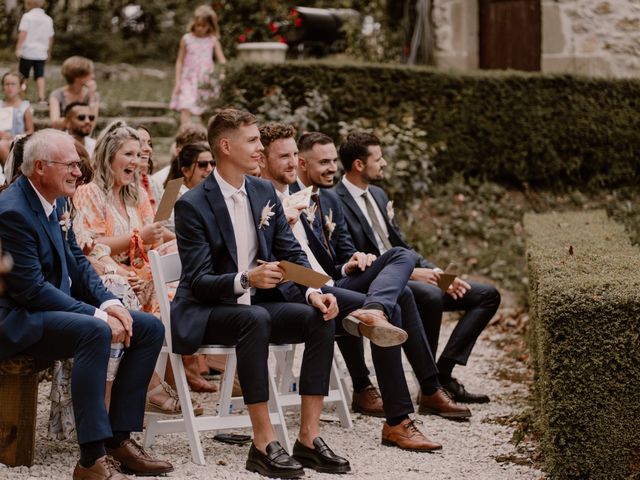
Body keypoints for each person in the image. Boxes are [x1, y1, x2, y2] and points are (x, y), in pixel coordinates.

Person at [172, 108, 349, 477]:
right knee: (252, 318)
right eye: (252, 141)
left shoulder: (262, 189)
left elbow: (291, 252)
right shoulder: (191, 204)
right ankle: (263, 441)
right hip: (208, 312)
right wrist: (247, 280)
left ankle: (308, 439)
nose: (259, 148)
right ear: (225, 145)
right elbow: (200, 281)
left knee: (319, 315)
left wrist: (312, 291)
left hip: (258, 308)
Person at [258, 122, 451, 451]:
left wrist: (346, 265)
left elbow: (320, 258)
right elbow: (270, 263)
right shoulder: (262, 201)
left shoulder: (305, 197)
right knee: (400, 297)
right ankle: (398, 421)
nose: (292, 162)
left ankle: (375, 310)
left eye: (294, 155)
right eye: (285, 156)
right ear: (262, 160)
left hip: (329, 278)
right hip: (297, 292)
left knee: (399, 256)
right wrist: (284, 225)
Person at [0, 128, 172, 480]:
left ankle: (118, 440)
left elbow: (77, 260)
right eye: (71, 165)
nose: (79, 172)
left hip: (48, 310)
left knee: (148, 326)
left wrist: (110, 302)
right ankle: (91, 459)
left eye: (78, 164)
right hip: (16, 318)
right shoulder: (12, 212)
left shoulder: (59, 199)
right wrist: (97, 314)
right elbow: (30, 290)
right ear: (40, 168)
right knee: (94, 331)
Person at [295, 130, 472, 421]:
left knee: (402, 259)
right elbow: (288, 261)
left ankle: (429, 385)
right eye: (323, 162)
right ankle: (373, 386)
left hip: (342, 277)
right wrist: (324, 281)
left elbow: (345, 252)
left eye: (333, 161)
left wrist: (352, 262)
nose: (331, 168)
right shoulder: (288, 199)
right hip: (311, 287)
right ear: (303, 163)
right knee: (405, 294)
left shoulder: (332, 198)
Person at [336, 131, 502, 403]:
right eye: (378, 159)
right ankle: (431, 387)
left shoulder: (378, 194)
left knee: (486, 295)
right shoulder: (336, 200)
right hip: (379, 282)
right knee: (430, 294)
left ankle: (443, 373)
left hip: (414, 272)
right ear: (358, 164)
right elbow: (350, 257)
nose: (384, 163)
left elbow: (401, 243)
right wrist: (414, 273)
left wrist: (437, 273)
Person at [170, 4, 226, 127]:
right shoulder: (187, 39)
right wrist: (178, 81)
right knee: (185, 106)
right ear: (194, 23)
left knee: (206, 109)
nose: (200, 28)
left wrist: (221, 74)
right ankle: (184, 136)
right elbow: (179, 61)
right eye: (198, 24)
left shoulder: (212, 40)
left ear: (210, 26)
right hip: (188, 78)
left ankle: (205, 139)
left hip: (205, 79)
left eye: (204, 26)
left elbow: (222, 60)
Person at [150, 123, 208, 205]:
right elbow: (163, 216)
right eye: (202, 163)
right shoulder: (161, 182)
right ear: (178, 152)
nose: (208, 168)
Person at [15, 0, 53, 104]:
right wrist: (49, 52)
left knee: (23, 76)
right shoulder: (48, 19)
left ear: (29, 4)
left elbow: (23, 33)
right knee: (40, 76)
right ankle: (41, 98)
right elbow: (50, 37)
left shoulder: (27, 17)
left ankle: (21, 97)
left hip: (27, 51)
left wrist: (18, 48)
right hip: (41, 52)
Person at [49, 56, 100, 130]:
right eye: (89, 73)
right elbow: (55, 123)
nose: (93, 76)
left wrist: (92, 96)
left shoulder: (93, 95)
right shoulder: (57, 95)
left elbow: (92, 124)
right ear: (78, 77)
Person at [0, 71, 34, 164]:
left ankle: (10, 172)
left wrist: (14, 137)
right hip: (2, 138)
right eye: (7, 84)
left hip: (17, 141)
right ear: (3, 87)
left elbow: (30, 131)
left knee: (2, 145)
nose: (10, 87)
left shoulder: (24, 107)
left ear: (20, 87)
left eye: (13, 84)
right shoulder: (0, 105)